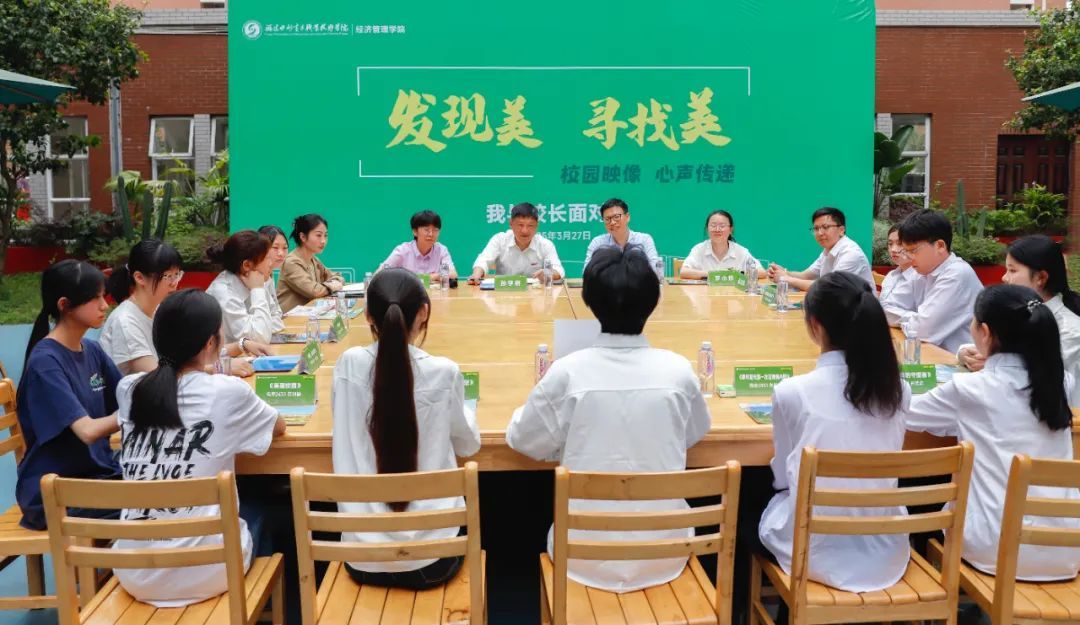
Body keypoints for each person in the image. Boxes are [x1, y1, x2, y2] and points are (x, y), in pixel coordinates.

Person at [506, 247, 710, 592]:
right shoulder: (678, 371)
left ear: (588, 301)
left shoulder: (567, 372)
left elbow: (523, 440)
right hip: (665, 553)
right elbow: (694, 433)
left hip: (580, 556)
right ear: (654, 301)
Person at [113, 289, 286, 607]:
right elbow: (278, 427)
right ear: (210, 344)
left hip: (135, 572)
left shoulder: (129, 389)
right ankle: (261, 607)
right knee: (267, 506)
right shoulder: (227, 392)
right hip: (209, 571)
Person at [907, 284, 1080, 580]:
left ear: (985, 332)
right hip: (1066, 549)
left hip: (995, 550)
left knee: (929, 495)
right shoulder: (1062, 382)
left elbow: (904, 411)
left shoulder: (969, 389)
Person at [758, 271, 911, 592]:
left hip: (814, 553)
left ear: (815, 326)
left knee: (750, 500)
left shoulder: (792, 392)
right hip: (885, 553)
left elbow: (782, 479)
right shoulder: (900, 390)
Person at [332, 268, 480, 590]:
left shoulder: (346, 365)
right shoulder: (444, 372)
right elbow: (468, 445)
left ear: (368, 316)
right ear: (423, 312)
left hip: (362, 560)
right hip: (433, 560)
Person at [16, 260, 122, 530]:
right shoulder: (45, 362)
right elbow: (87, 431)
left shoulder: (92, 350)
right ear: (65, 305)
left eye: (104, 296)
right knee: (153, 502)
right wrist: (132, 413)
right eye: (95, 298)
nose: (104, 305)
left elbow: (127, 394)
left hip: (95, 475)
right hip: (56, 495)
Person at [958, 235, 1080, 405]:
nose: (1004, 278)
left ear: (1041, 278)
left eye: (1012, 270)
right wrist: (964, 354)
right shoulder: (1017, 313)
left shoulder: (1071, 332)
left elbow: (1050, 380)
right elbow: (983, 346)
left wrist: (996, 365)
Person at [894, 209, 983, 353]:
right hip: (934, 356)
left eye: (913, 251)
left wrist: (907, 320)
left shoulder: (957, 274)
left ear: (940, 246)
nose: (909, 258)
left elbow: (921, 331)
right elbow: (886, 308)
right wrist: (912, 319)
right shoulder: (921, 271)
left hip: (963, 361)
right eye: (906, 251)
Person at [99, 239, 183, 374]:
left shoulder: (159, 310)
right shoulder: (125, 321)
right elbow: (156, 377)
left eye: (177, 274)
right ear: (139, 277)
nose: (174, 283)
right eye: (167, 276)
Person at [767, 207, 873, 290]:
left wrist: (785, 278)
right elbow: (805, 275)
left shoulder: (851, 254)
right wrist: (784, 272)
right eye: (816, 228)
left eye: (825, 227)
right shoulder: (827, 251)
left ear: (841, 230)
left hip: (858, 310)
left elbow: (828, 288)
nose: (820, 233)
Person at [205, 230, 276, 346]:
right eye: (267, 258)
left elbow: (276, 319)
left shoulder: (253, 281)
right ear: (247, 265)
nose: (271, 263)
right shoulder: (224, 293)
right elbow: (260, 339)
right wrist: (257, 291)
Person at [469, 202, 564, 283]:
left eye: (530, 226)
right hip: (504, 292)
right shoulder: (500, 240)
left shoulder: (545, 245)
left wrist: (548, 273)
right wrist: (476, 274)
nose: (524, 231)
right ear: (511, 223)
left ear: (537, 225)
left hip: (535, 293)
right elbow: (483, 260)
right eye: (520, 225)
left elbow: (558, 270)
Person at [277, 214, 343, 313]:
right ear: (303, 237)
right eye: (318, 235)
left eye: (325, 235)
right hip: (289, 319)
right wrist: (333, 286)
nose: (323, 241)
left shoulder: (314, 260)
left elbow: (337, 276)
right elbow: (314, 291)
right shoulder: (291, 262)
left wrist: (333, 283)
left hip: (309, 316)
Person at [679, 210, 763, 279]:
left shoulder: (740, 251)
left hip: (733, 294)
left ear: (731, 230)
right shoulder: (699, 249)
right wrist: (716, 274)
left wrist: (735, 275)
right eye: (713, 225)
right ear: (707, 229)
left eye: (722, 226)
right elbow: (684, 272)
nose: (717, 229)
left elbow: (761, 272)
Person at [583, 198, 661, 269]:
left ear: (627, 217)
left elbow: (656, 271)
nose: (612, 222)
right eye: (607, 219)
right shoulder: (598, 243)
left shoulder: (644, 240)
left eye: (616, 217)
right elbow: (587, 273)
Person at [381, 210, 458, 282]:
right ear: (415, 232)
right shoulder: (402, 251)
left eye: (435, 230)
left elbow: (453, 274)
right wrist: (435, 276)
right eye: (426, 230)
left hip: (433, 292)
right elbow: (380, 274)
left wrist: (432, 277)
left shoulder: (441, 250)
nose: (431, 234)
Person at [879, 224, 921, 327]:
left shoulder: (920, 278)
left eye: (900, 243)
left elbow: (923, 319)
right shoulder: (891, 276)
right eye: (890, 244)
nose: (893, 249)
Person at [257, 224, 289, 334]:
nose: (281, 253)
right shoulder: (254, 277)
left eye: (285, 248)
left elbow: (276, 312)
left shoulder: (270, 274)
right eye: (275, 248)